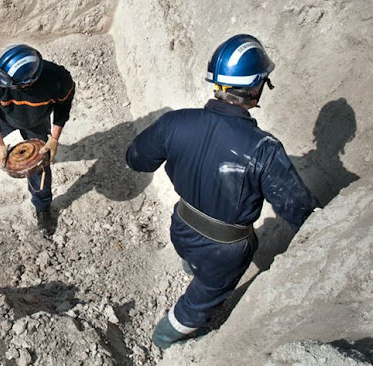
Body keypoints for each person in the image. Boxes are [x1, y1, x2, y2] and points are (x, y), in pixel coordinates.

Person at [125, 34, 319, 349]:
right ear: (257, 87)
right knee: (202, 299)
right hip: (224, 252)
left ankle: (193, 270)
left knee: (196, 265)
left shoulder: (176, 122)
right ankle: (163, 338)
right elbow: (299, 211)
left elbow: (136, 160)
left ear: (218, 84)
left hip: (181, 228)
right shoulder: (264, 149)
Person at [0, 43, 75, 237]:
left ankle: (42, 206)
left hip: (36, 121)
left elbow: (63, 109)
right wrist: (0, 145)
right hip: (4, 117)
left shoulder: (59, 80)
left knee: (39, 166)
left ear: (27, 83)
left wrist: (54, 139)